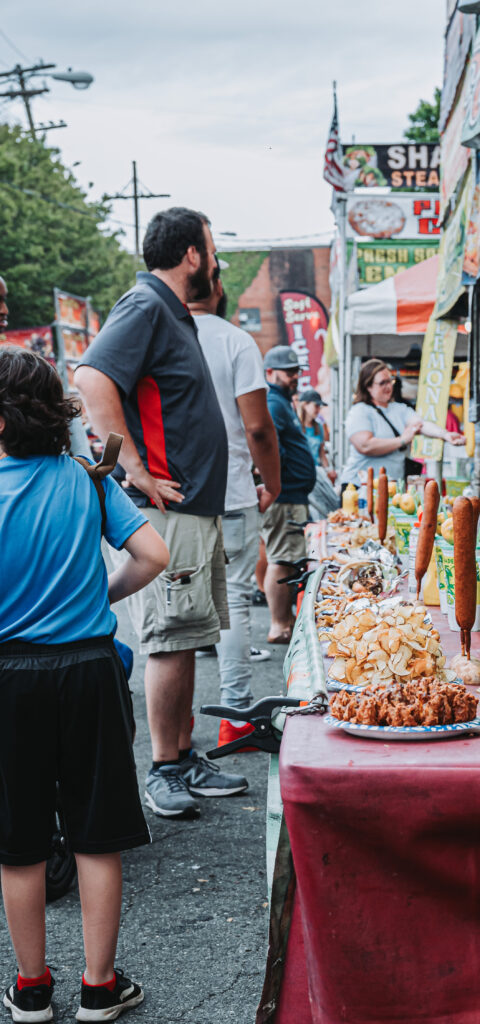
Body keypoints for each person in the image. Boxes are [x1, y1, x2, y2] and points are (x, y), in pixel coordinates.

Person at [0, 345, 170, 1022]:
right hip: (89, 669)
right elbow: (153, 555)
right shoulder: (87, 479)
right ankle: (100, 986)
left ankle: (31, 988)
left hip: (10, 675)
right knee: (97, 835)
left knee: (19, 843)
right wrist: (99, 590)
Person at [75, 207, 248, 821]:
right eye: (212, 246)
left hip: (191, 508)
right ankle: (163, 770)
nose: (216, 259)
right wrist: (136, 469)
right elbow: (92, 375)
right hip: (166, 506)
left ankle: (181, 755)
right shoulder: (146, 303)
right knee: (170, 640)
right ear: (193, 256)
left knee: (191, 634)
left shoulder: (167, 311)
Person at [189, 263, 281, 748]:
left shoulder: (154, 337)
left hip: (174, 497)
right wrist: (273, 482)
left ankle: (175, 736)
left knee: (177, 617)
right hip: (233, 494)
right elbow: (259, 427)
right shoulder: (235, 341)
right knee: (234, 603)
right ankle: (237, 717)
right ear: (219, 288)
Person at [262, 346, 317, 644]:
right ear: (270, 373)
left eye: (297, 370)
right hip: (284, 497)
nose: (295, 376)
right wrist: (278, 481)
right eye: (288, 371)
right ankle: (279, 624)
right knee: (282, 559)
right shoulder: (273, 402)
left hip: (289, 495)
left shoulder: (281, 401)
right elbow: (270, 446)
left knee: (286, 557)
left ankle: (284, 620)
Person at [341, 358, 465, 486]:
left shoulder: (399, 409)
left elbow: (421, 424)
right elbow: (365, 445)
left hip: (391, 487)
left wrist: (445, 435)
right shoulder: (359, 411)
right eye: (382, 383)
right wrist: (402, 440)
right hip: (359, 487)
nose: (388, 386)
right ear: (368, 386)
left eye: (390, 381)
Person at [297, 388, 336, 482]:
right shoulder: (295, 426)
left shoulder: (319, 427)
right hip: (299, 474)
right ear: (305, 405)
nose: (318, 409)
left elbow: (321, 453)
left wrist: (329, 470)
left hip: (315, 474)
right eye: (316, 405)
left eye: (319, 406)